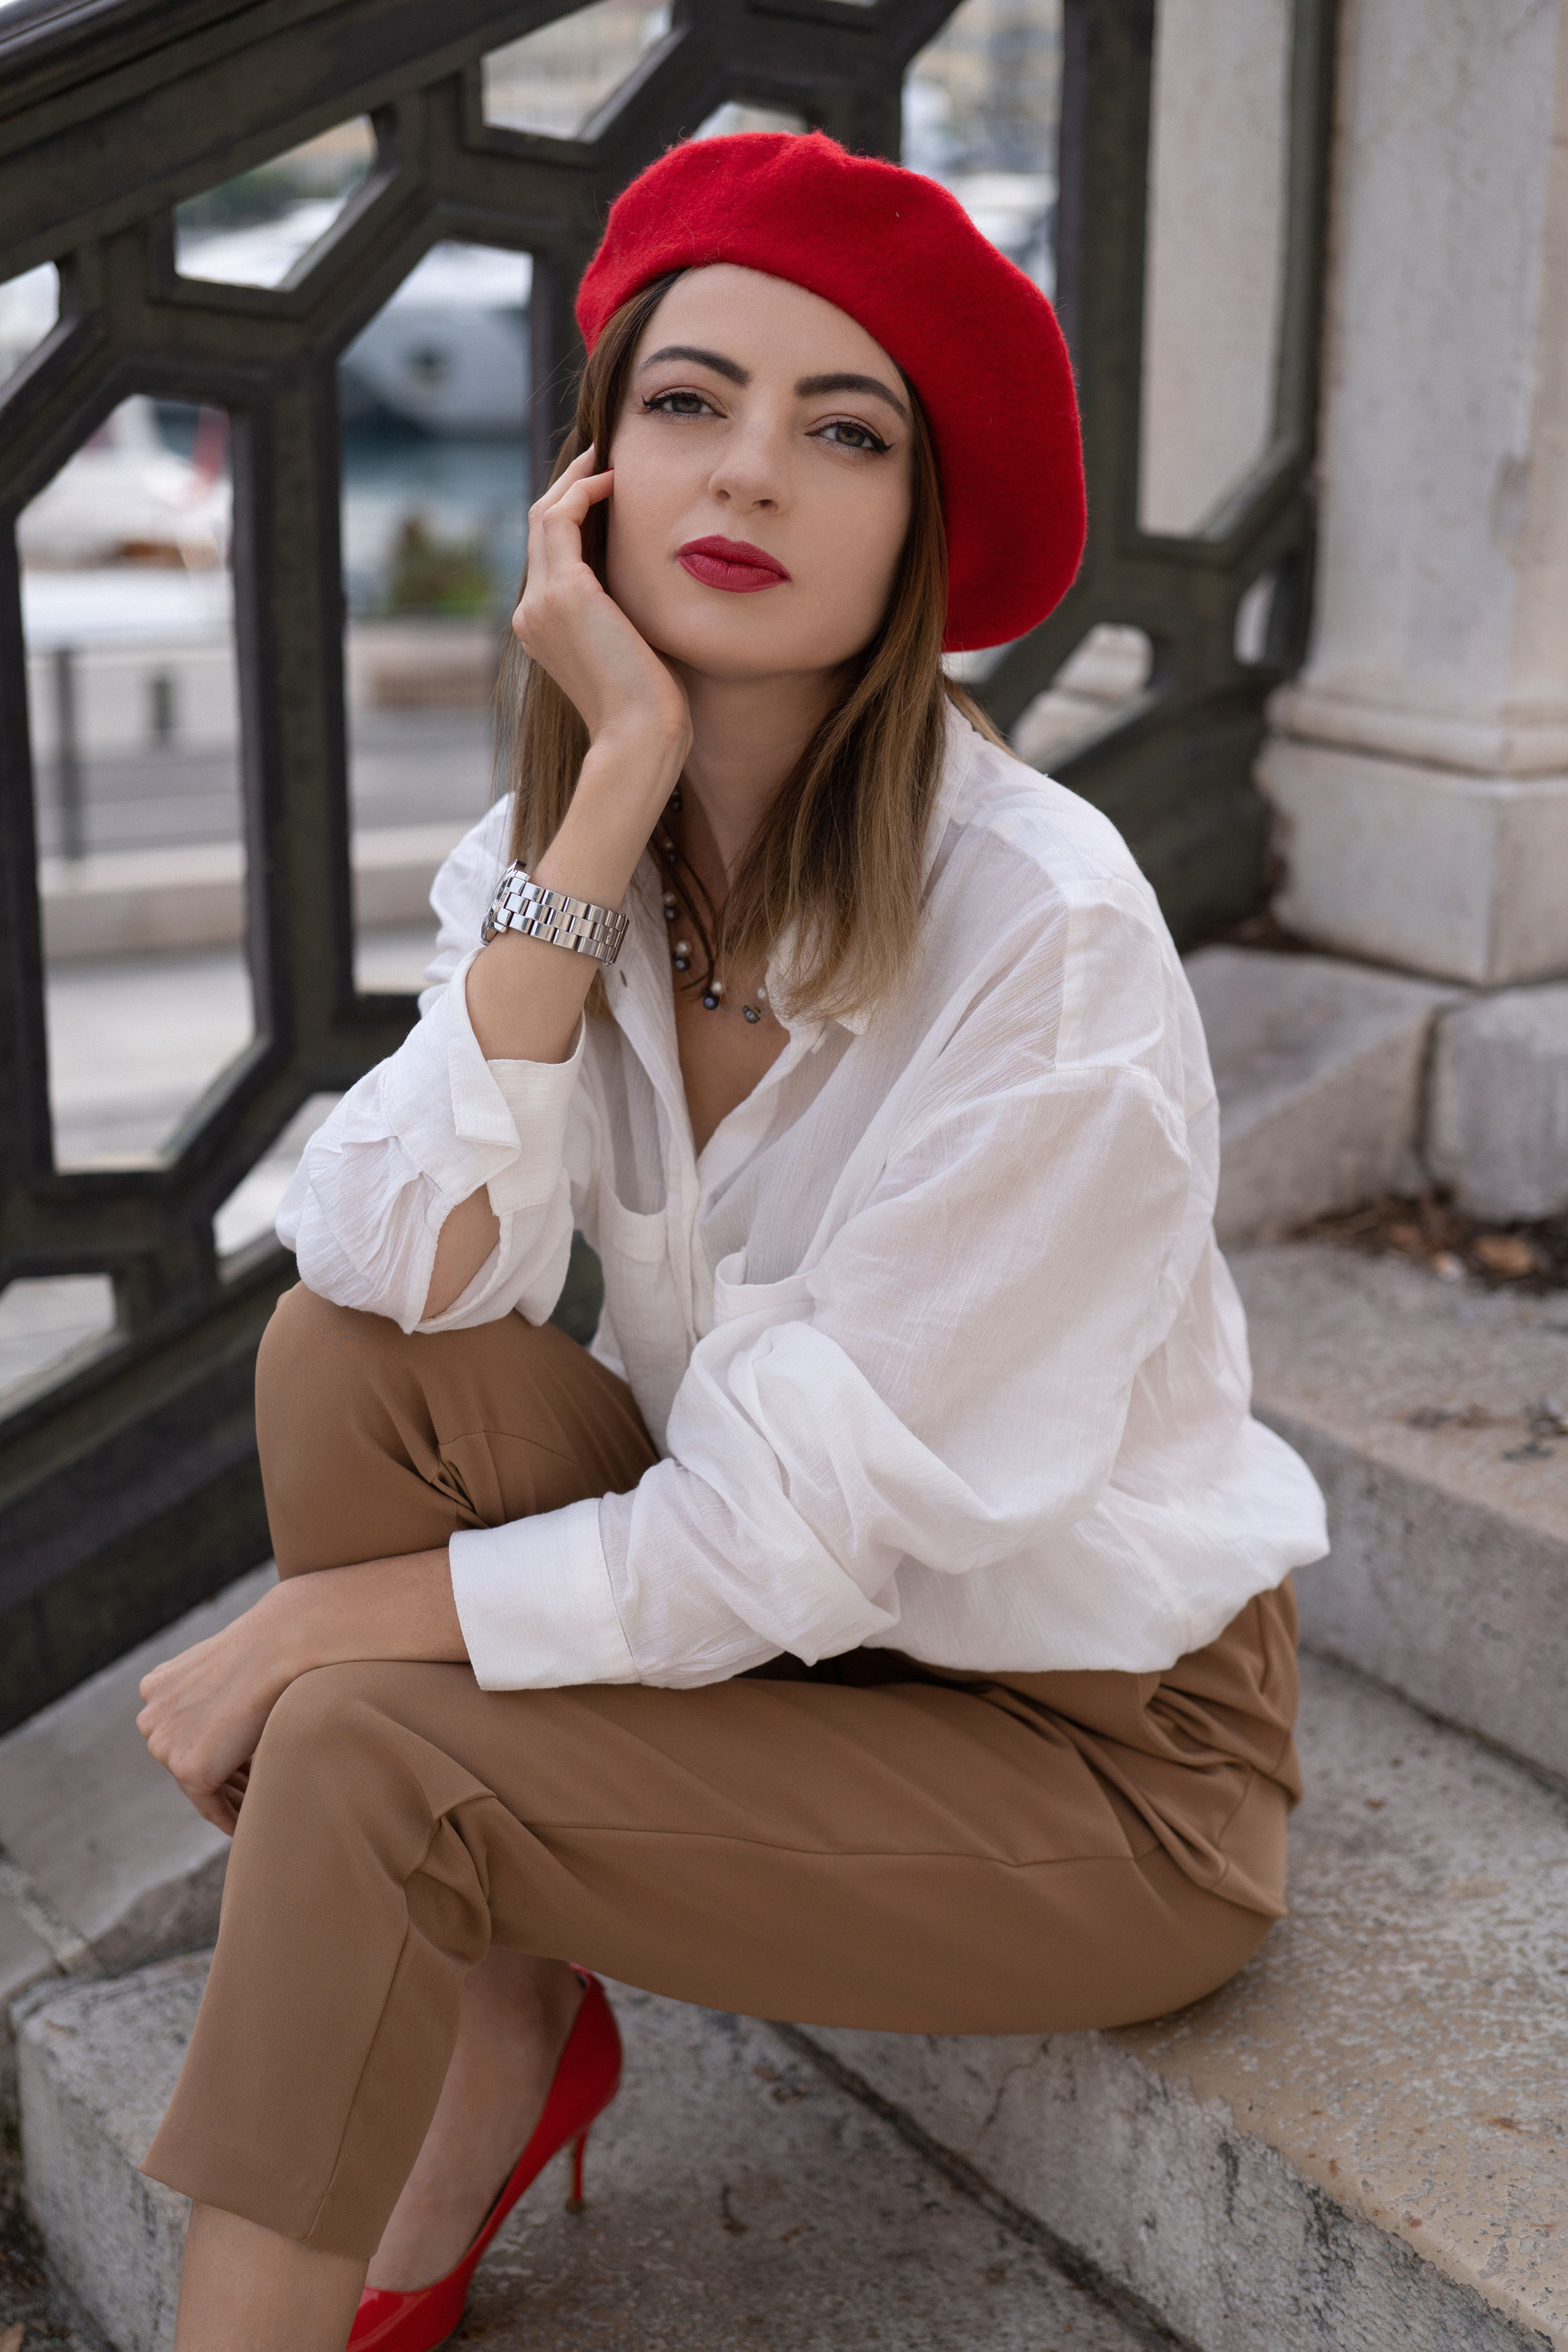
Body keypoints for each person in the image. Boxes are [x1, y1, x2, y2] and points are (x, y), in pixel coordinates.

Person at [133, 131, 1327, 2352]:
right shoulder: (574, 850)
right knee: (349, 1364)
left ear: (917, 530)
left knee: (372, 1743)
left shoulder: (1047, 933)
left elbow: (796, 1532)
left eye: (844, 430)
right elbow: (394, 1263)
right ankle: (511, 2030)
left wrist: (315, 1633)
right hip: (806, 1638)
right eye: (690, 402)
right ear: (591, 480)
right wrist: (606, 795)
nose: (753, 471)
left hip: (1094, 1761)